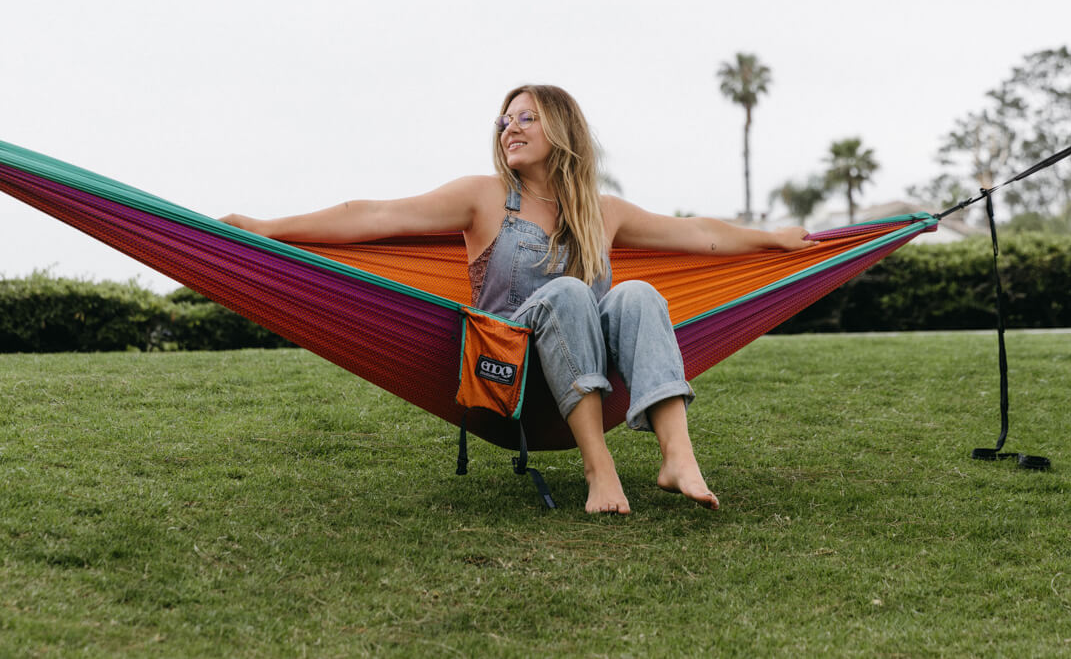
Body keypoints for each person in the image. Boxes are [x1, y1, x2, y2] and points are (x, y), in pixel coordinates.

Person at [220, 84, 812, 514]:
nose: (511, 128)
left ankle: (678, 458)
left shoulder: (603, 212)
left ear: (562, 129)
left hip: (590, 374)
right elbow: (375, 214)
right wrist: (271, 228)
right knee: (569, 293)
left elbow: (699, 234)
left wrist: (774, 238)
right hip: (510, 373)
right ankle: (598, 469)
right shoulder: (483, 198)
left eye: (527, 117)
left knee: (636, 294)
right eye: (505, 121)